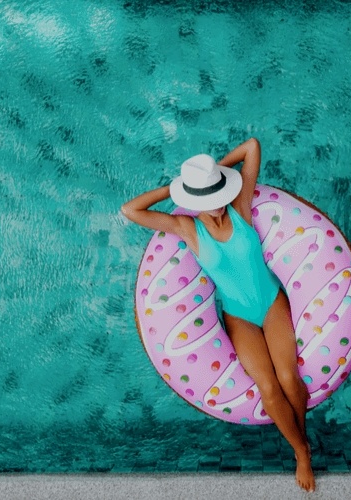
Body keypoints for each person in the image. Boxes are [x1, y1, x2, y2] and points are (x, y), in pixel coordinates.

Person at [121, 138, 316, 492]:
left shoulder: (239, 204)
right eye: (208, 202)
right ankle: (301, 450)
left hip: (271, 302)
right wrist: (178, 191)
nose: (218, 207)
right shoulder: (187, 228)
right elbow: (131, 211)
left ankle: (300, 439)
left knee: (288, 378)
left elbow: (253, 147)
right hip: (239, 316)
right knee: (269, 389)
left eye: (219, 197)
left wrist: (218, 176)